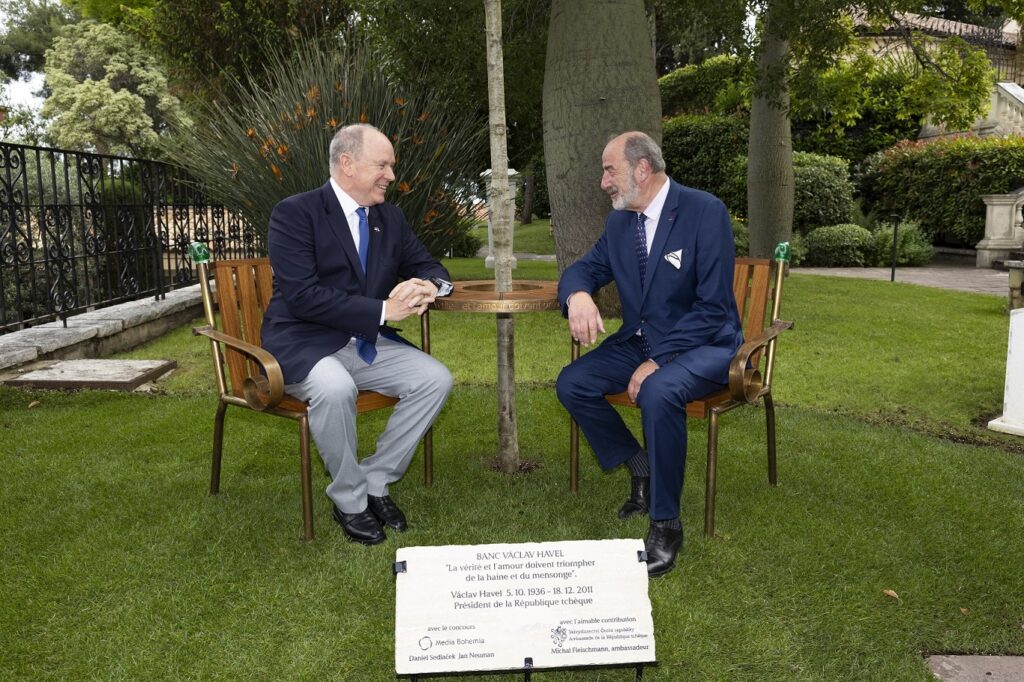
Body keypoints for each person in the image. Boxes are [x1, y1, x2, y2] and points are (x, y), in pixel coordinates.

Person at [556, 131, 742, 577]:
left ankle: (665, 523)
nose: (604, 182)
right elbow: (584, 268)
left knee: (658, 391)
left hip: (703, 344)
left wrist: (660, 359)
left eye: (609, 170)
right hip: (639, 341)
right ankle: (639, 465)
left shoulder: (704, 212)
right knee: (572, 383)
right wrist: (578, 295)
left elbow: (714, 306)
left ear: (642, 168)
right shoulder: (620, 223)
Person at [261, 123, 454, 545]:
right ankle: (349, 500)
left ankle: (375, 481)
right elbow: (302, 296)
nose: (390, 175)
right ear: (347, 164)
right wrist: (385, 309)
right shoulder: (295, 212)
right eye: (382, 165)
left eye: (391, 166)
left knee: (435, 379)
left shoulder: (391, 218)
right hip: (305, 341)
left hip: (364, 342)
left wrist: (430, 286)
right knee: (334, 389)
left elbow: (432, 266)